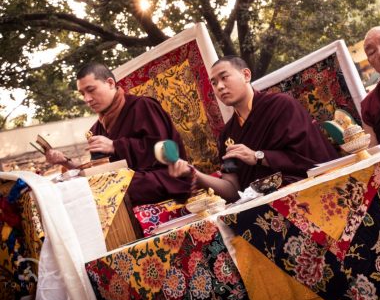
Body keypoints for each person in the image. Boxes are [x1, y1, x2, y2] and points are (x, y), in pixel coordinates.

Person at [168, 56, 336, 202]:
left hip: (304, 190)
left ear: (246, 75)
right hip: (258, 203)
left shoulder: (281, 106)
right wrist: (196, 175)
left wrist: (258, 156)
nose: (219, 86)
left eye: (224, 77)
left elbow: (313, 158)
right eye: (214, 83)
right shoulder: (228, 134)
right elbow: (233, 190)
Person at [45, 63, 192, 205]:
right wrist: (66, 162)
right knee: (86, 187)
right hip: (126, 180)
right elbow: (100, 171)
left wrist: (116, 146)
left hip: (165, 177)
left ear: (110, 83)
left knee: (113, 186)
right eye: (82, 93)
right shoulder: (96, 129)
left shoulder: (142, 106)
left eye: (91, 90)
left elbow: (166, 152)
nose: (87, 99)